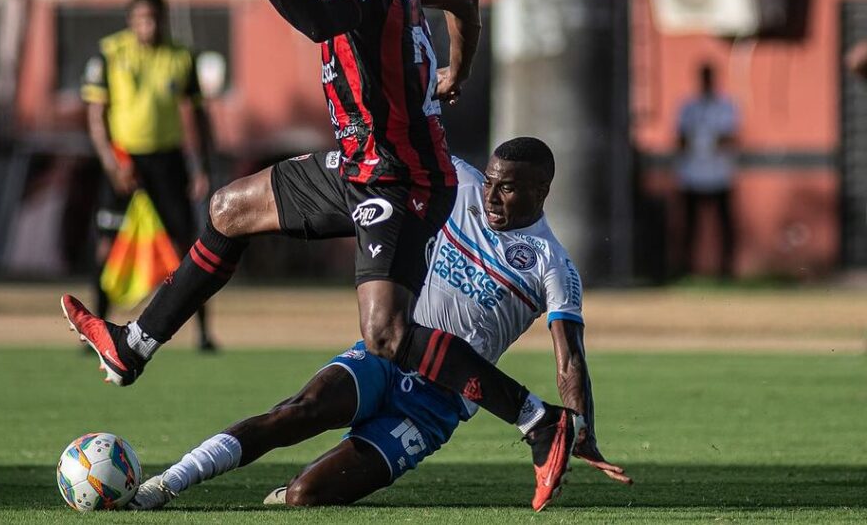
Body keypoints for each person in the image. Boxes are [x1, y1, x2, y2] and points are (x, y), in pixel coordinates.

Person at [63, 0, 580, 510]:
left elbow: (318, 22)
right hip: (356, 164)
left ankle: (537, 420)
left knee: (387, 333)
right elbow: (466, 0)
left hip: (401, 178)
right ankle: (133, 343)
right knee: (229, 208)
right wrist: (457, 72)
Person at [128, 139, 632, 511]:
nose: (491, 196)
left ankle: (301, 488)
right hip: (386, 354)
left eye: (508, 188)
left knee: (306, 497)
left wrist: (581, 428)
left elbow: (570, 360)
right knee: (298, 412)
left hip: (436, 407)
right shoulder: (459, 185)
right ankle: (168, 482)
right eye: (491, 181)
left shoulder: (552, 265)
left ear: (541, 189)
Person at [80, 0, 217, 350]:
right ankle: (96, 327)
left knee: (189, 247)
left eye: (154, 18)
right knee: (107, 245)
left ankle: (202, 332)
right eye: (142, 19)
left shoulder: (180, 57)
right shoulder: (110, 53)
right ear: (131, 21)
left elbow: (198, 114)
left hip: (168, 161)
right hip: (124, 160)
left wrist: (201, 166)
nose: (148, 26)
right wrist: (112, 164)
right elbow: (96, 116)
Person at [676, 62, 740, 278]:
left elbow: (729, 137)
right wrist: (706, 140)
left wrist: (701, 140)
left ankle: (726, 269)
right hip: (693, 174)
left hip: (719, 174)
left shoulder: (725, 105)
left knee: (725, 226)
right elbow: (680, 139)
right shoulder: (688, 107)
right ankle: (687, 268)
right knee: (690, 226)